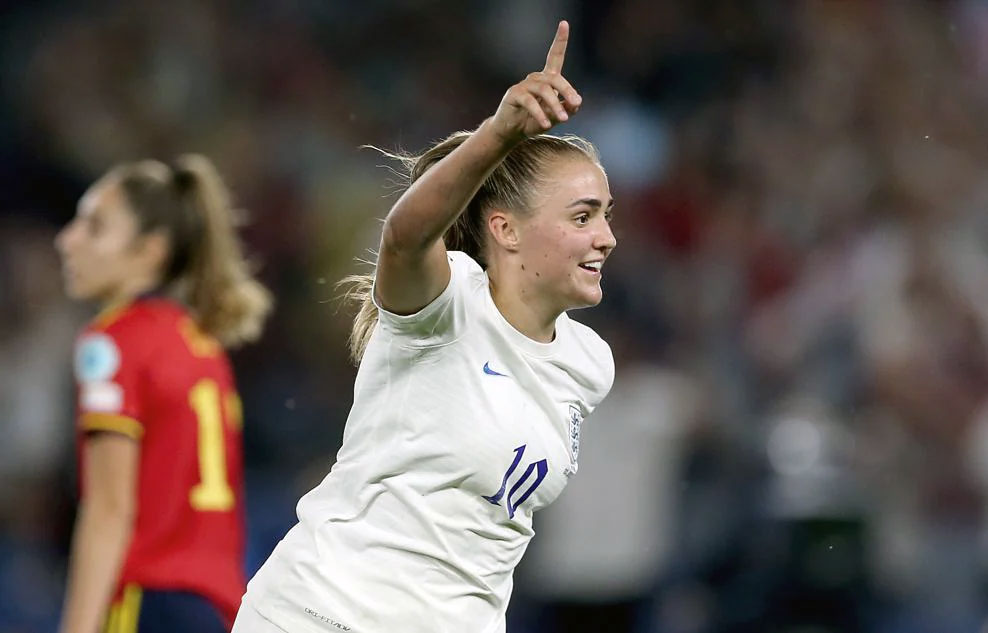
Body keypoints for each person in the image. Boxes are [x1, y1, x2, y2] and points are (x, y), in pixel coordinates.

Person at [233, 20, 616, 633]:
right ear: (505, 230)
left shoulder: (590, 363)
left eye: (606, 215)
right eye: (582, 216)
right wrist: (499, 134)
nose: (606, 237)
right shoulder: (447, 305)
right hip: (323, 615)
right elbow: (406, 236)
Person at [55, 155, 272, 633]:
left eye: (94, 227)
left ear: (149, 250)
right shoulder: (200, 343)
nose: (67, 239)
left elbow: (110, 509)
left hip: (146, 601)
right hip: (214, 610)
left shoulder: (110, 343)